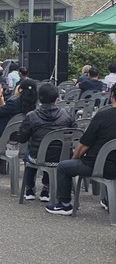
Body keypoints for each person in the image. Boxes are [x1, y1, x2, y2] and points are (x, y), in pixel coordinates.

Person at [45, 84, 116, 215]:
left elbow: (84, 144)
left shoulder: (103, 116)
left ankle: (64, 204)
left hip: (97, 165)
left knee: (63, 167)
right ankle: (108, 200)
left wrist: (75, 157)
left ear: (112, 95)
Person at [17, 83, 74, 202]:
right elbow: (74, 133)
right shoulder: (67, 115)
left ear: (39, 97)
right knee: (53, 151)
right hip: (62, 158)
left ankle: (29, 188)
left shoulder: (32, 116)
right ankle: (46, 188)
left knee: (29, 155)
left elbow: (22, 138)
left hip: (37, 157)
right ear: (57, 97)